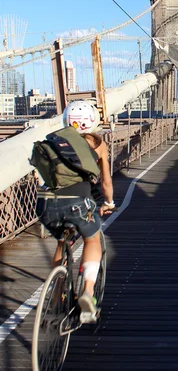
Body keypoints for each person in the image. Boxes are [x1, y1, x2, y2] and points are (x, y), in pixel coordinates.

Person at [35, 101, 115, 321]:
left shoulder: (54, 138)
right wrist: (109, 202)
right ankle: (88, 293)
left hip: (45, 203)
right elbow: (106, 181)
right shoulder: (97, 143)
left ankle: (55, 295)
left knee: (62, 241)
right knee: (92, 239)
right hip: (77, 202)